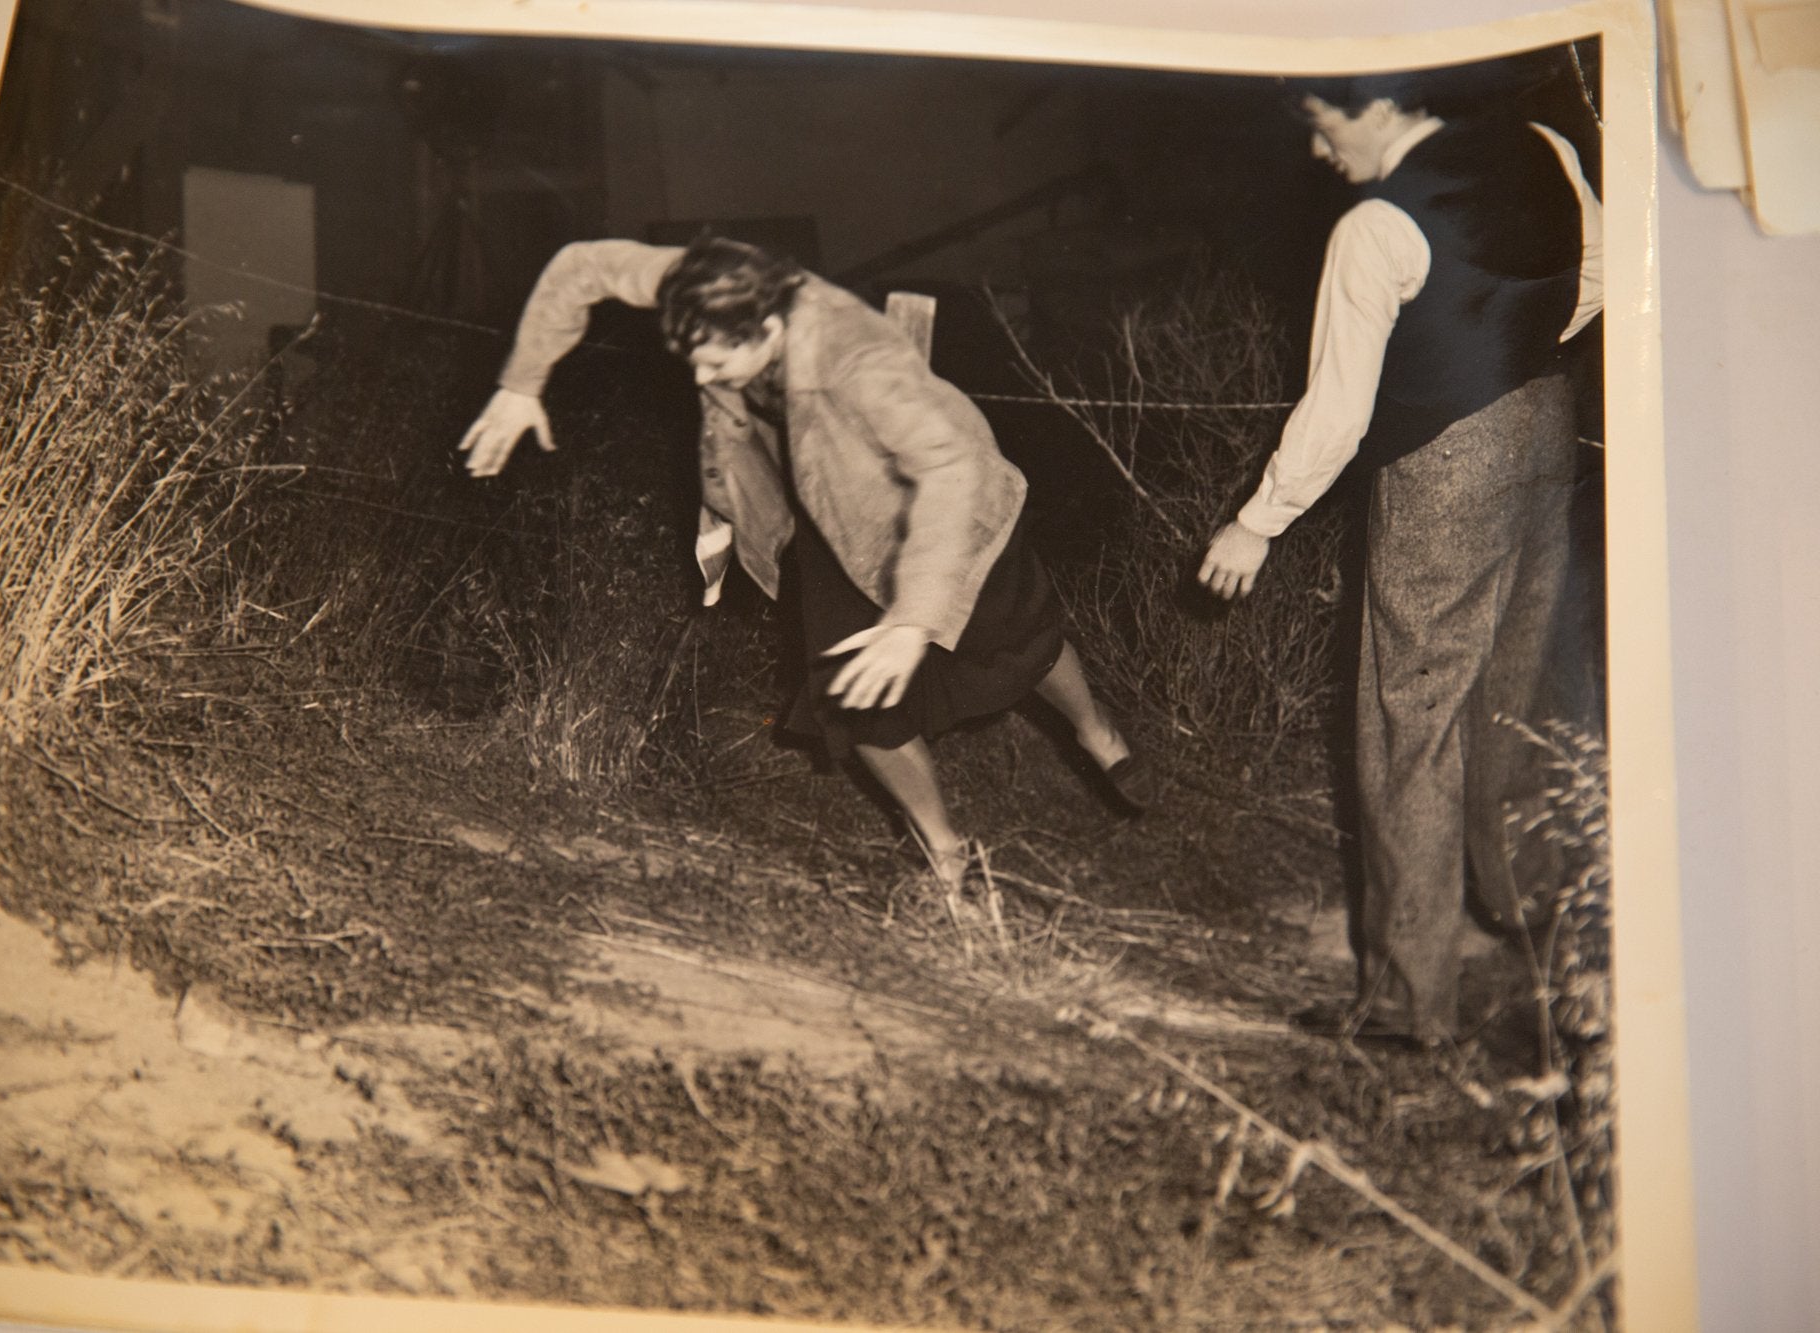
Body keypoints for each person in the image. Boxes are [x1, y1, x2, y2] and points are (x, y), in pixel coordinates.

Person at [458, 234, 1155, 887]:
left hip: (953, 501)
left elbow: (951, 469)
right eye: (693, 357)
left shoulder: (861, 362)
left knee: (1020, 641)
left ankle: (1097, 729)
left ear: (767, 332)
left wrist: (913, 620)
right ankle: (947, 853)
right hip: (836, 505)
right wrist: (522, 383)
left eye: (716, 361)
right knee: (848, 692)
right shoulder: (707, 285)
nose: (700, 376)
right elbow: (581, 265)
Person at [1198, 76, 1603, 1046]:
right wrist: (1512, 363)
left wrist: (1257, 520)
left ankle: (1407, 1005)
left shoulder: (1371, 227)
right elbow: (1600, 277)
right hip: (1544, 432)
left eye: (1322, 123)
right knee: (1522, 700)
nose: (1317, 150)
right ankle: (1541, 947)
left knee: (1409, 728)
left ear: (1375, 105)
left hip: (1439, 470)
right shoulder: (1541, 146)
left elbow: (1336, 414)